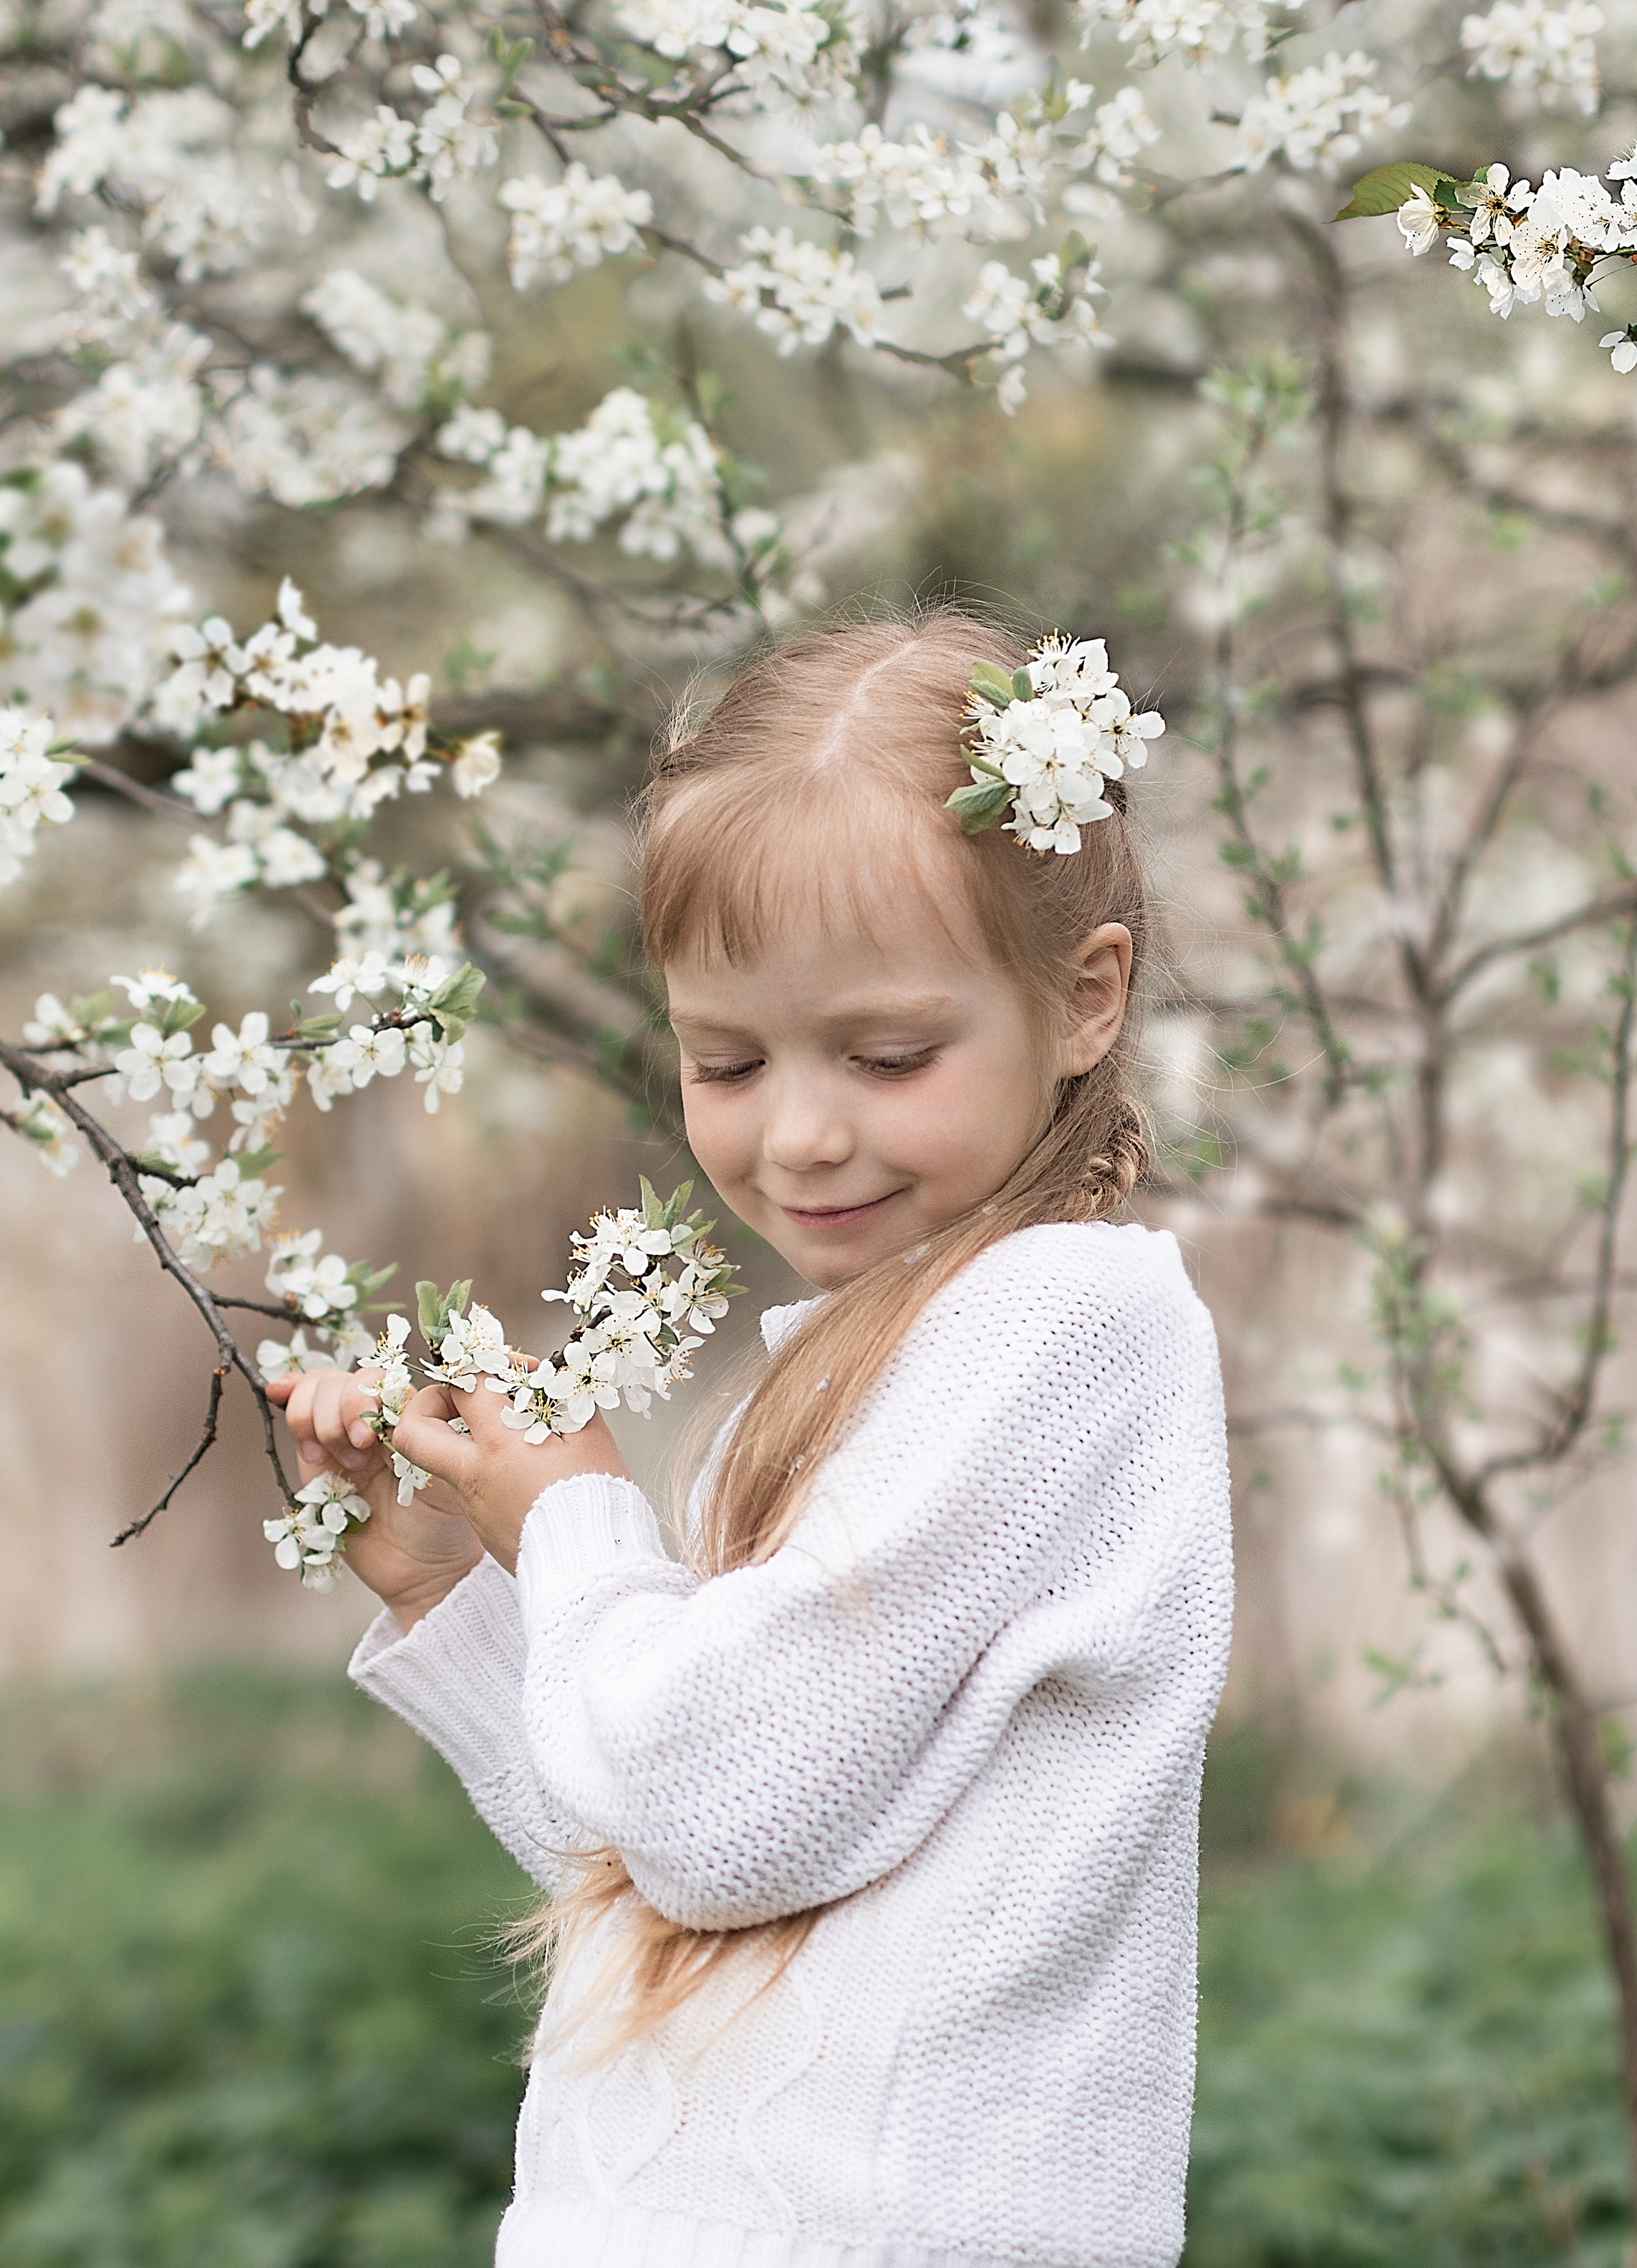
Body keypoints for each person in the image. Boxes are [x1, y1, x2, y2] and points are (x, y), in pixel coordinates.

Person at [269, 610, 1234, 2268]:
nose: (798, 1134)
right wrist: (457, 1594)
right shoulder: (865, 1366)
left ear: (1082, 1001)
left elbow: (718, 1811)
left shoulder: (1062, 1327)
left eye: (886, 1056)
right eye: (724, 1061)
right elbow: (677, 1866)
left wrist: (574, 1522)